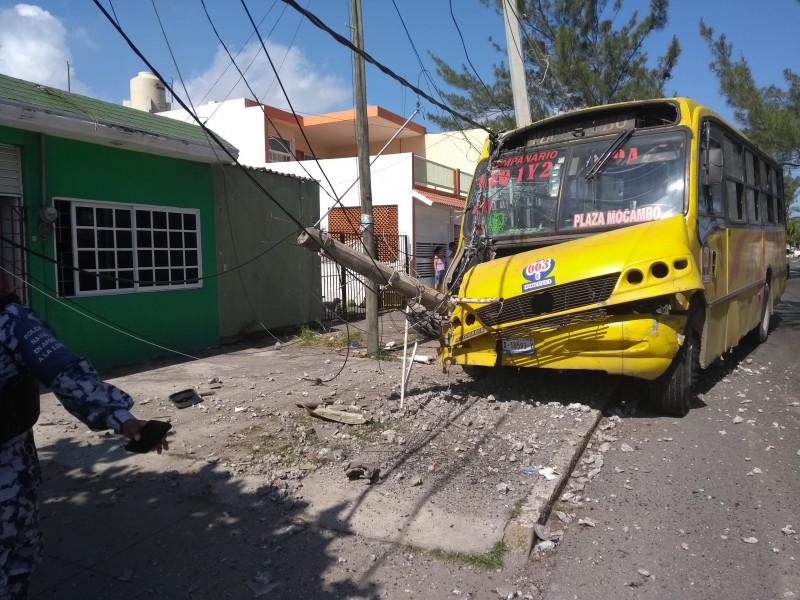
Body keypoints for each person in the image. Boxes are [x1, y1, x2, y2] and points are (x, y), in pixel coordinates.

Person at [0, 271, 168, 599]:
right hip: (7, 474)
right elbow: (65, 372)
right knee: (14, 560)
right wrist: (123, 419)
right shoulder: (11, 321)